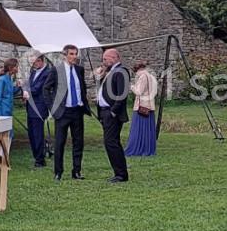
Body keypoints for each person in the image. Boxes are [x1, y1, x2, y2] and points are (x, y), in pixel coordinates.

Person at [50, 44, 90, 181]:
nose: (74, 57)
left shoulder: (79, 70)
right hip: (63, 112)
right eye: (71, 54)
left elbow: (82, 88)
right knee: (59, 142)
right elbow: (46, 89)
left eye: (75, 54)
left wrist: (84, 102)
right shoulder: (56, 70)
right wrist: (53, 107)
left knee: (78, 141)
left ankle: (76, 171)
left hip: (77, 111)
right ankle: (58, 172)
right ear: (65, 55)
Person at [95, 48, 131, 183]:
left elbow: (122, 94)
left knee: (111, 142)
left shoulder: (121, 71)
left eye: (105, 59)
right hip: (104, 111)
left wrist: (113, 111)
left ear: (114, 58)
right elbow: (103, 90)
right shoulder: (110, 72)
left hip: (112, 113)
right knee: (110, 142)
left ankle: (121, 174)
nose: (103, 61)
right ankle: (119, 172)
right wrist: (100, 77)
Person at [22, 52, 56, 168]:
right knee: (31, 133)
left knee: (37, 134)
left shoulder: (47, 73)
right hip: (30, 106)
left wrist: (26, 92)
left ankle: (40, 160)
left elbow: (38, 88)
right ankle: (36, 156)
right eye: (33, 62)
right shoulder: (33, 72)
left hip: (39, 107)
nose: (34, 64)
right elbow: (28, 85)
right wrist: (25, 89)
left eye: (36, 61)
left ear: (41, 60)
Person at [125, 61, 159, 158]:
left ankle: (139, 148)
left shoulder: (143, 77)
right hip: (149, 105)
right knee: (148, 130)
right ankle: (148, 148)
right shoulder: (151, 76)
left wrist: (132, 87)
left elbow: (139, 91)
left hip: (142, 107)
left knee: (139, 129)